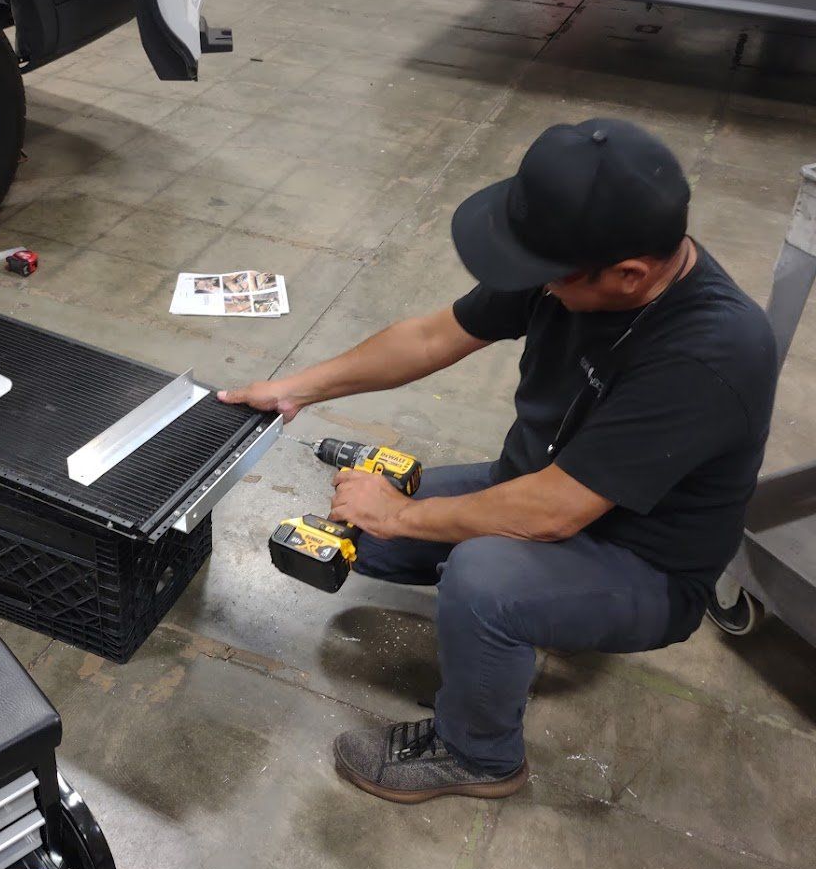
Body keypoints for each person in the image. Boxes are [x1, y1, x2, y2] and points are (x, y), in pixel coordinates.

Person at [220, 119, 777, 805]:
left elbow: (554, 512)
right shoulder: (570, 255)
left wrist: (403, 512)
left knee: (482, 577)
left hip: (641, 560)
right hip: (541, 481)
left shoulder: (712, 353)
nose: (531, 288)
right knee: (365, 539)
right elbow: (430, 336)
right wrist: (295, 388)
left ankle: (479, 754)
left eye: (544, 279)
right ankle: (516, 601)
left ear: (630, 276)